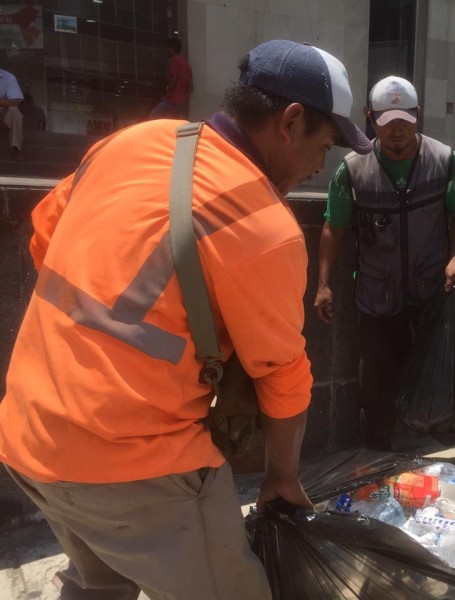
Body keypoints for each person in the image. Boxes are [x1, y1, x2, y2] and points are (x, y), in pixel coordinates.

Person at [0, 39, 371, 600]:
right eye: (325, 145)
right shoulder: (263, 224)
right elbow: (282, 374)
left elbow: (45, 236)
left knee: (101, 583)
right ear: (291, 121)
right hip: (138, 467)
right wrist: (282, 477)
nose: (321, 165)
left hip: (27, 432)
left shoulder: (133, 141)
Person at [313, 75, 455, 469]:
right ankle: (380, 451)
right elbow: (333, 228)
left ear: (418, 116)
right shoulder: (352, 169)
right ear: (371, 119)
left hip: (431, 289)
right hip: (376, 293)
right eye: (387, 124)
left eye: (404, 122)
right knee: (377, 379)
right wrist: (323, 284)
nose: (396, 132)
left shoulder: (444, 159)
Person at [148, 37, 193, 119]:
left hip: (172, 99)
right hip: (181, 102)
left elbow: (173, 80)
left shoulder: (174, 61)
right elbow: (190, 86)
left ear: (170, 48)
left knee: (152, 117)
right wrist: (185, 99)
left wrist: (167, 95)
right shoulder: (187, 65)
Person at [0, 68, 25, 160]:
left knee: (15, 111)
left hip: (3, 114)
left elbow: (15, 101)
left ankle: (16, 148)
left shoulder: (9, 78)